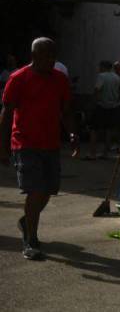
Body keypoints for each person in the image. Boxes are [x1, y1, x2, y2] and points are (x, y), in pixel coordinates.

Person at [0, 37, 79, 261]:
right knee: (35, 189)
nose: (51, 61)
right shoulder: (18, 79)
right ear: (34, 57)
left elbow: (65, 110)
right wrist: (3, 147)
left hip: (51, 143)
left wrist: (73, 134)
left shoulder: (59, 80)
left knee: (48, 190)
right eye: (46, 56)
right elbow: (6, 114)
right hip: (24, 143)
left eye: (53, 56)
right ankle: (30, 240)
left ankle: (27, 221)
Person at [85, 60, 120, 160]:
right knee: (109, 130)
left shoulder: (101, 76)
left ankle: (92, 153)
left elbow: (97, 90)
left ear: (103, 67)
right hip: (113, 106)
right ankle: (105, 153)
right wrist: (118, 99)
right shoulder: (116, 77)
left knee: (94, 129)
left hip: (101, 106)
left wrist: (94, 102)